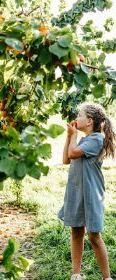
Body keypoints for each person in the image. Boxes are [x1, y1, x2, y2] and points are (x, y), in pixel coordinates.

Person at [58, 103, 116, 280]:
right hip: (77, 191)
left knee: (93, 235)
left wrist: (73, 136)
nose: (76, 118)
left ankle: (107, 277)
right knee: (76, 231)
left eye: (79, 115)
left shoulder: (96, 139)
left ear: (89, 121)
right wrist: (70, 136)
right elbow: (66, 159)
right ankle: (76, 274)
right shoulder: (83, 140)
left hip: (91, 193)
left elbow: (74, 153)